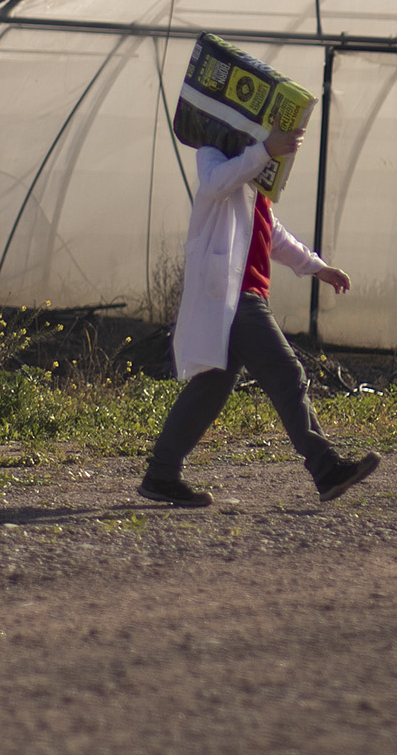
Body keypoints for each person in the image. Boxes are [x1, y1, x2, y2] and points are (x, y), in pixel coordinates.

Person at [141, 118, 380, 509]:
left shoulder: (254, 180)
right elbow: (216, 183)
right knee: (286, 372)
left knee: (211, 387)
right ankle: (326, 469)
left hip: (242, 296)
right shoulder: (215, 156)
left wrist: (318, 268)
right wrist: (265, 150)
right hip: (232, 296)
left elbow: (274, 233)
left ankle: (161, 474)